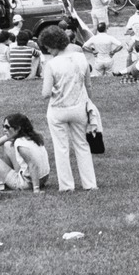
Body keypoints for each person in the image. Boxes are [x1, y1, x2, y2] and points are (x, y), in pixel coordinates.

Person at [39, 26, 98, 192]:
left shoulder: (51, 64)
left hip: (58, 110)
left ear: (53, 45)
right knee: (82, 145)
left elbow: (45, 93)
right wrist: (90, 104)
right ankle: (90, 183)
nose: (48, 51)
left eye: (48, 47)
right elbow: (88, 85)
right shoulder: (81, 58)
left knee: (61, 148)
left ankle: (66, 186)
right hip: (79, 107)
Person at [0, 113, 51, 193]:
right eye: (3, 126)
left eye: (7, 127)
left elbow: (33, 165)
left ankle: (6, 183)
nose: (4, 129)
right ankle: (6, 183)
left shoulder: (21, 145)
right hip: (42, 178)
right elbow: (7, 137)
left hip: (27, 183)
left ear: (18, 128)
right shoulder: (30, 137)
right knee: (7, 145)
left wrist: (36, 189)